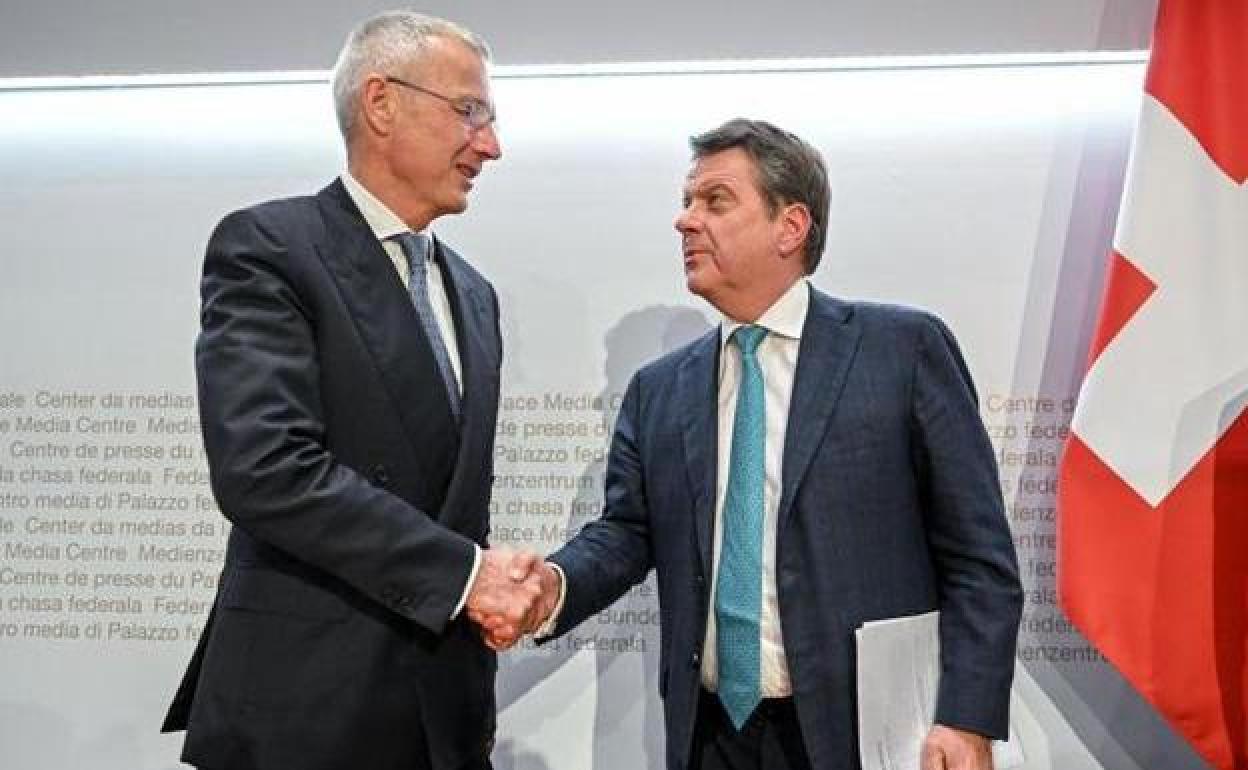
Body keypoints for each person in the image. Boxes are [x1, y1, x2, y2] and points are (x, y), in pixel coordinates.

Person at [484, 118, 1023, 770]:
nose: (686, 221)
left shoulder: (902, 351)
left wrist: (967, 718)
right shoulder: (659, 390)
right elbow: (627, 532)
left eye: (715, 201)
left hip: (865, 736)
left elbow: (978, 557)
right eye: (687, 201)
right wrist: (552, 587)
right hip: (713, 736)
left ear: (789, 226)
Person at [161, 12, 542, 770]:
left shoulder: (475, 294)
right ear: (381, 102)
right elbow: (266, 470)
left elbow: (448, 498)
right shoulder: (270, 249)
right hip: (305, 712)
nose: (491, 145)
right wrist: (467, 577)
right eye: (470, 112)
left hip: (444, 717)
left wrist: (493, 586)